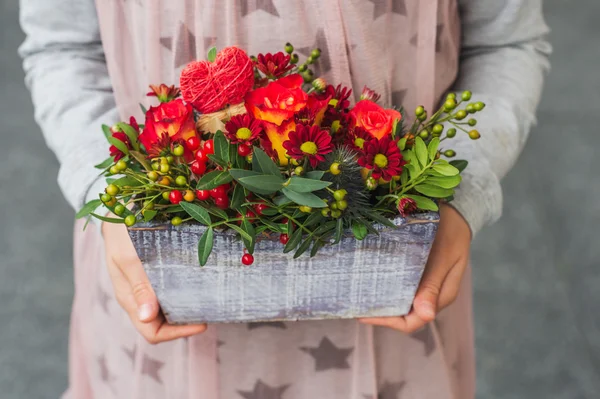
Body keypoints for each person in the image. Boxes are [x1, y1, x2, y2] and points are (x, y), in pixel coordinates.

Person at [19, 0, 550, 398]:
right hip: (158, 307)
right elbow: (64, 48)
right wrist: (112, 200)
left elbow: (505, 43)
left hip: (398, 306)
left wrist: (460, 194)